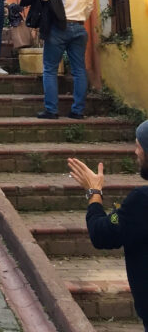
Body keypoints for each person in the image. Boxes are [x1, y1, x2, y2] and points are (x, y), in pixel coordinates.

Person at [68, 121, 148, 331]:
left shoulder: (141, 201)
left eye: (139, 146)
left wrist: (94, 192)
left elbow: (103, 232)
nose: (136, 151)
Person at [37, 0, 94, 119]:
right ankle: (77, 111)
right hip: (79, 26)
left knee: (50, 68)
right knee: (79, 70)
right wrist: (80, 16)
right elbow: (90, 4)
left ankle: (51, 110)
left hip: (59, 26)